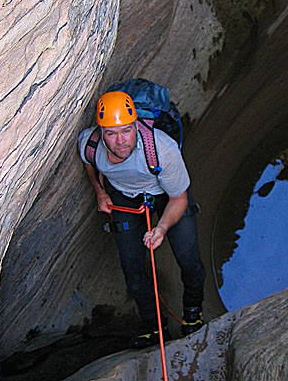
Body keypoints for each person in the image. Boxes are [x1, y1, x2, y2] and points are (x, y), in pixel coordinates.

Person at [78, 90, 206, 348]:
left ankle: (193, 314)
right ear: (101, 133)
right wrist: (100, 192)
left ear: (136, 125)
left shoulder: (161, 149)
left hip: (167, 194)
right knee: (132, 269)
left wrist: (161, 227)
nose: (120, 141)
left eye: (126, 131)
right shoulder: (90, 144)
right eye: (111, 134)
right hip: (124, 196)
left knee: (189, 259)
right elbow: (88, 161)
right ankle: (154, 329)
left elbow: (179, 199)